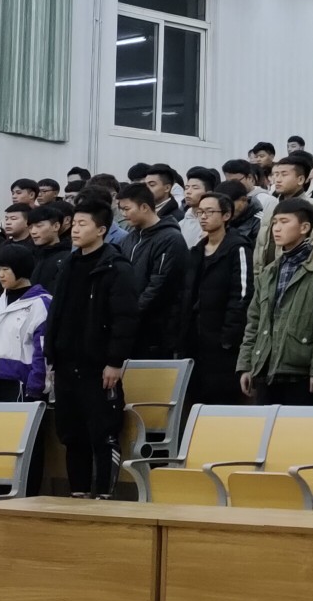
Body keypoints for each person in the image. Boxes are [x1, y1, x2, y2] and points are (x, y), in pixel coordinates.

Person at [44, 198, 138, 496]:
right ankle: (78, 494)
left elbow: (125, 318)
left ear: (101, 230)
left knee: (103, 433)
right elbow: (56, 313)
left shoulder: (116, 267)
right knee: (72, 435)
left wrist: (115, 361)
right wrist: (51, 355)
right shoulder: (68, 264)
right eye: (74, 223)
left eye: (83, 224)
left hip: (98, 366)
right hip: (66, 364)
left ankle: (104, 495)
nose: (75, 229)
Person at [238, 198, 313, 407]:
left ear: (304, 228)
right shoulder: (269, 271)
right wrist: (246, 365)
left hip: (301, 374)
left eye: (284, 222)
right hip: (266, 369)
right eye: (275, 222)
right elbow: (254, 322)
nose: (276, 228)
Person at [181, 190, 251, 409]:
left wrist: (228, 337)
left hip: (223, 342)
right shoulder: (197, 250)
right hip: (196, 339)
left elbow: (242, 295)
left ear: (226, 215)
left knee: (223, 400)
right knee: (197, 399)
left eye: (210, 212)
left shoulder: (238, 247)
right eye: (200, 212)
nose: (203, 217)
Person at [117, 183, 188, 359]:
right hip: (130, 326)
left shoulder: (171, 239)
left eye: (127, 209)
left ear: (144, 207)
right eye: (121, 209)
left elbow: (160, 285)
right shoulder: (129, 239)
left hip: (157, 329)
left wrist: (131, 313)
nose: (123, 214)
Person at [0, 244, 51, 402]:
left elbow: (43, 349)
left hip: (21, 384)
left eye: (6, 269)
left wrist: (36, 385)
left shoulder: (40, 303)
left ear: (21, 269)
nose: (1, 275)